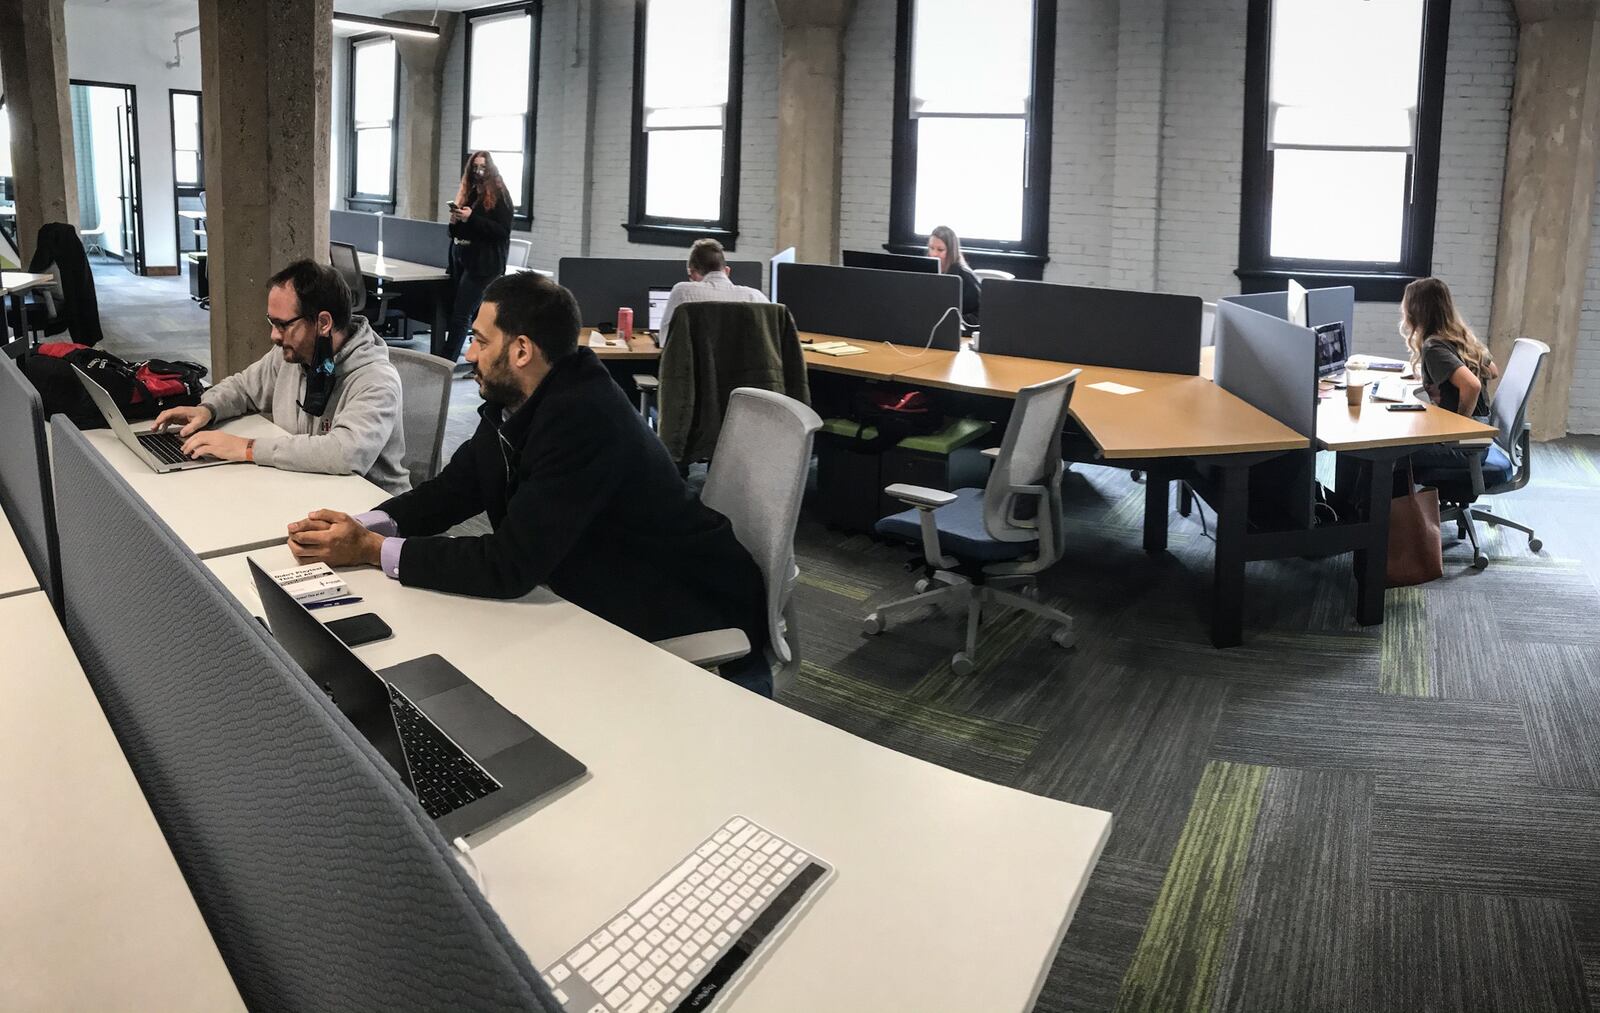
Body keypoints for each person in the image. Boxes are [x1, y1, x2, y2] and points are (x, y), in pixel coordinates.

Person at [284, 273, 777, 697]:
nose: (469, 352)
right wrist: (364, 524)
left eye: (479, 339)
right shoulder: (516, 401)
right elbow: (455, 490)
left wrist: (372, 550)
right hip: (589, 585)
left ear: (521, 349)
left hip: (684, 602)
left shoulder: (583, 420)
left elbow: (510, 565)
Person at [151, 259, 410, 495]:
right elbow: (243, 388)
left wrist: (248, 448)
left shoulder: (376, 379)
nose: (274, 336)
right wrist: (208, 409)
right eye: (271, 322)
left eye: (283, 325)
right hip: (308, 488)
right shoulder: (292, 355)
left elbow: (345, 453)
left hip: (371, 510)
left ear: (323, 323)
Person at [1398, 276, 1501, 480]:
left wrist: (1457, 428)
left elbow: (1472, 386)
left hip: (1466, 447)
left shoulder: (1434, 347)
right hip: (1480, 432)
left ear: (1415, 311)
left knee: (1387, 453)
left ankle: (1398, 511)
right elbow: (1493, 371)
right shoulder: (1459, 336)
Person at [438, 150, 514, 365]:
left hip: (485, 264)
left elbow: (502, 231)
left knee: (461, 314)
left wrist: (472, 218)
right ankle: (485, 359)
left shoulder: (500, 195)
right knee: (473, 315)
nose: (478, 171)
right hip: (463, 258)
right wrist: (455, 222)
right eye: (475, 167)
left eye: (482, 167)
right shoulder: (471, 193)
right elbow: (460, 233)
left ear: (490, 169)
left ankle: (446, 362)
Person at [658, 237, 767, 339]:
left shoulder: (682, 292)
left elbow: (666, 339)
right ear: (727, 271)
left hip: (697, 359)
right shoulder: (755, 297)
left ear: (692, 273)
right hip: (745, 359)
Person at [928, 225, 981, 326]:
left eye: (940, 250)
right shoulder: (925, 271)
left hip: (959, 332)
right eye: (931, 248)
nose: (934, 254)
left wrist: (954, 322)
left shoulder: (965, 276)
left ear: (951, 251)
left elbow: (980, 316)